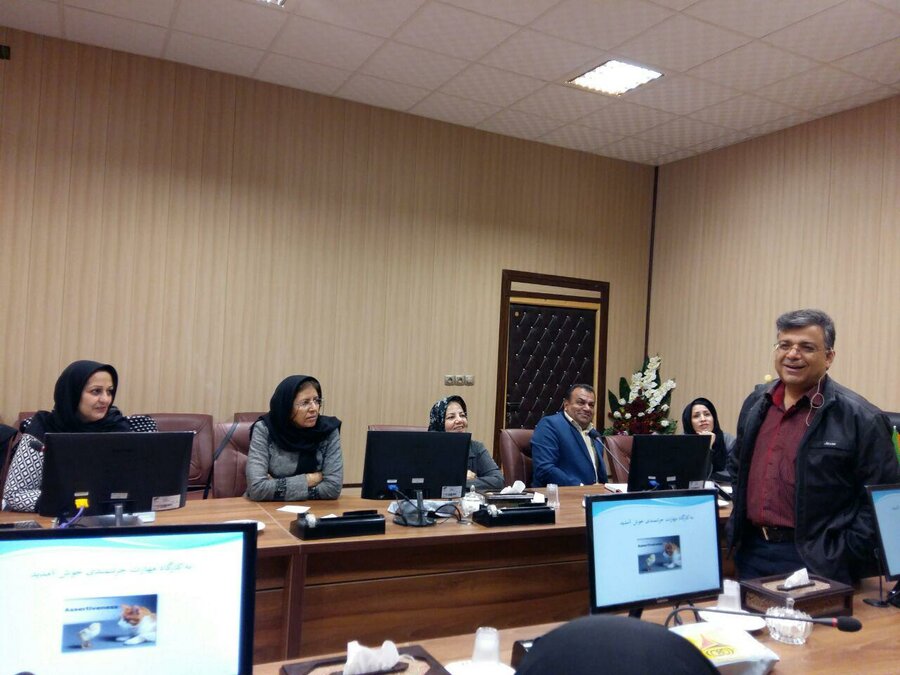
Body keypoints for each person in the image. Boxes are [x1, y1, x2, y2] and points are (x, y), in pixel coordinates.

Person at [727, 309, 899, 583]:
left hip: (817, 561)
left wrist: (842, 555)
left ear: (829, 357)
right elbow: (738, 467)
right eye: (784, 345)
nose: (792, 354)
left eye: (806, 347)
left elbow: (883, 500)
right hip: (752, 552)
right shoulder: (757, 403)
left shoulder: (861, 418)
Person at [2, 360, 157, 512]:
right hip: (57, 520)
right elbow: (15, 494)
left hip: (114, 518)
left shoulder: (117, 427)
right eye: (96, 391)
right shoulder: (44, 428)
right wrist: (71, 502)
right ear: (72, 393)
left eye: (109, 391)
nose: (105, 399)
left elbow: (143, 485)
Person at [246, 375, 343, 501]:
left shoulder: (327, 430)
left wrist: (277, 485)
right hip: (265, 508)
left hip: (316, 508)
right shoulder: (265, 429)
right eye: (305, 403)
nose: (314, 408)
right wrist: (310, 479)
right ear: (286, 406)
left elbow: (332, 488)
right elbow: (257, 489)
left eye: (316, 400)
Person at [531, 384, 608, 487]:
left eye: (591, 405)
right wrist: (582, 488)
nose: (587, 408)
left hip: (594, 495)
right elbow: (545, 469)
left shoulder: (594, 435)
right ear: (566, 405)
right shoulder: (550, 425)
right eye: (581, 403)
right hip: (560, 495)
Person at [427, 396, 503, 492]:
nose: (460, 420)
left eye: (462, 415)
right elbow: (429, 483)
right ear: (439, 422)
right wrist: (461, 478)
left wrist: (462, 482)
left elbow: (498, 481)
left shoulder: (476, 448)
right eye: (451, 417)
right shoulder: (429, 450)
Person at [681, 397, 736, 483]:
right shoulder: (682, 442)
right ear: (689, 421)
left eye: (707, 414)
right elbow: (688, 474)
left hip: (724, 488)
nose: (703, 419)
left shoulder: (728, 440)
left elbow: (733, 473)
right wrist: (706, 446)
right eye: (696, 416)